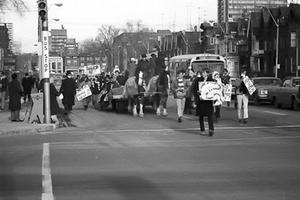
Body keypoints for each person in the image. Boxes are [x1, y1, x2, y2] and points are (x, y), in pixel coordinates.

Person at [193, 69, 214, 136]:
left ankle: (211, 129)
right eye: (203, 73)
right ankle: (202, 130)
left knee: (210, 115)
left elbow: (214, 89)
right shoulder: (198, 80)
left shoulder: (211, 80)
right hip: (201, 100)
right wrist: (197, 92)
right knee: (201, 116)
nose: (203, 74)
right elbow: (195, 89)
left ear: (207, 73)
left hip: (208, 101)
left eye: (204, 73)